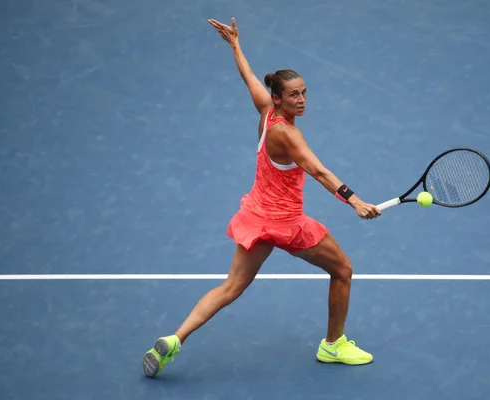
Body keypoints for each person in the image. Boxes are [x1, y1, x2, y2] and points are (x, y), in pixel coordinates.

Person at [142, 17, 382, 378]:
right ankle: (333, 345)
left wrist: (236, 45)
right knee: (343, 269)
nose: (301, 101)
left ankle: (174, 340)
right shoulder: (289, 136)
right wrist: (356, 201)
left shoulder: (265, 111)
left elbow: (249, 78)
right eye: (293, 95)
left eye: (304, 93)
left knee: (231, 286)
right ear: (278, 98)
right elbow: (319, 172)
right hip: (286, 224)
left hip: (255, 217)